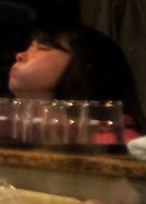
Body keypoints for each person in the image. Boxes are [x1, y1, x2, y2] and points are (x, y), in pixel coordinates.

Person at [8, 24, 142, 139]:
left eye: (43, 47)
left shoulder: (116, 139)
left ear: (85, 64)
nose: (20, 55)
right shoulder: (11, 130)